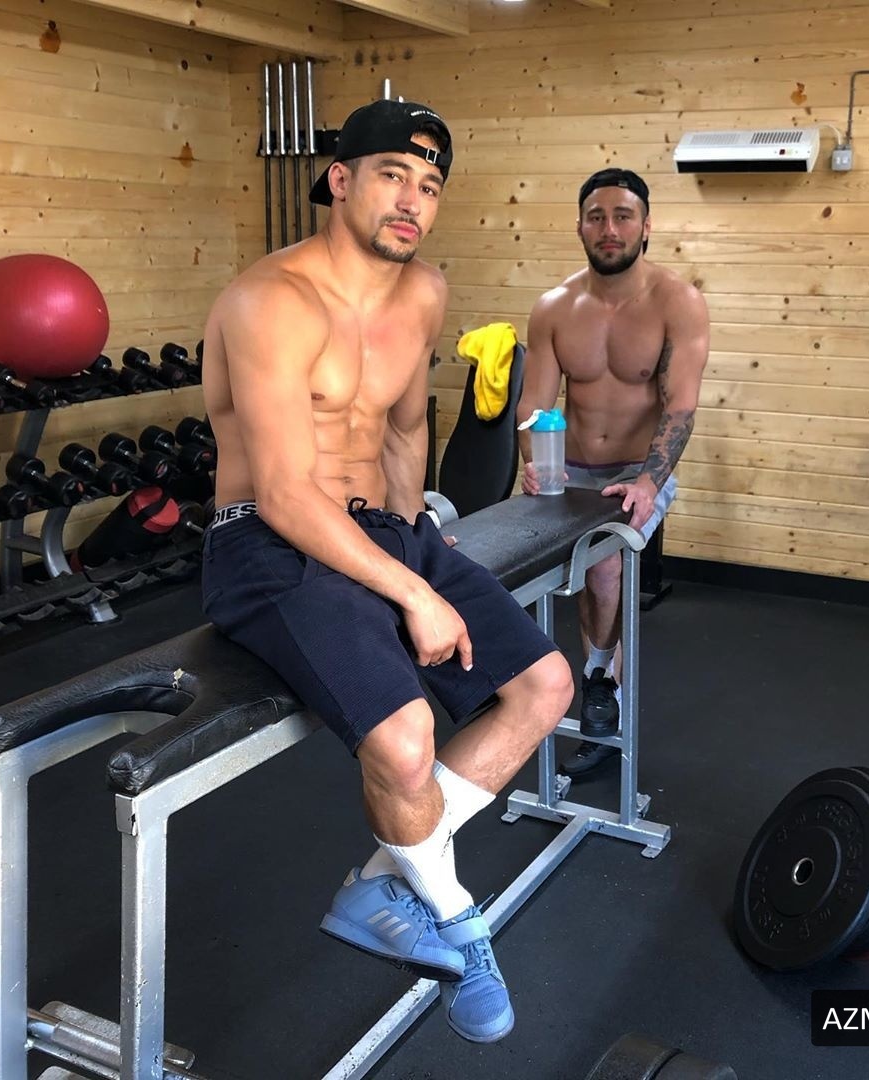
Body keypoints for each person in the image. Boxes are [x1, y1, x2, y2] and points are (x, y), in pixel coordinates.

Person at [199, 99, 573, 1045]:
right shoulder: (269, 300)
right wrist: (412, 595)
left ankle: (380, 882)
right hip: (268, 543)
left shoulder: (424, 295)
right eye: (393, 176)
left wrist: (422, 549)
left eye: (430, 185)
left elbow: (405, 433)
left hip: (381, 527)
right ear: (341, 179)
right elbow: (285, 492)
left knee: (544, 685)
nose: (412, 201)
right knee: (406, 746)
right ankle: (459, 919)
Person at [516, 168, 709, 779]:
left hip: (639, 467)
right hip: (569, 467)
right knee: (559, 572)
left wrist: (650, 482)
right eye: (596, 216)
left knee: (602, 564)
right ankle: (566, 683)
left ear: (646, 227)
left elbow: (680, 407)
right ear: (579, 226)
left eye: (623, 216)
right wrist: (533, 462)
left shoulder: (677, 303)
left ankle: (599, 682)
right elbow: (535, 405)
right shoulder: (554, 308)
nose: (609, 228)